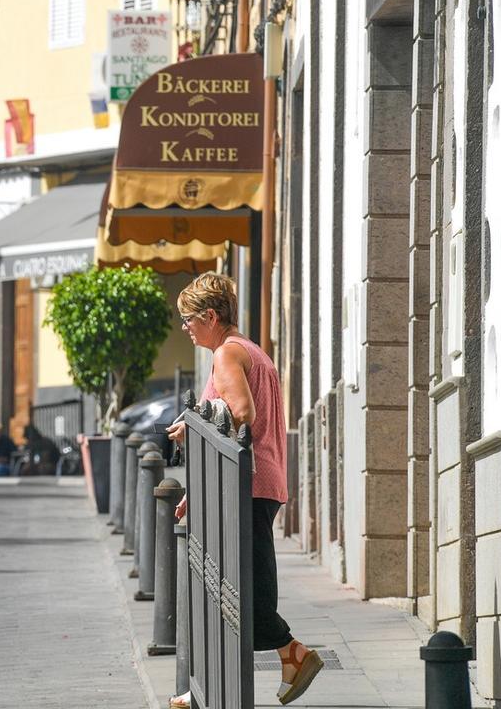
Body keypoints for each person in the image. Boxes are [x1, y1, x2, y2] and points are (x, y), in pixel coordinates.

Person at [165, 273, 322, 707]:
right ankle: (206, 687)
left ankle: (291, 653)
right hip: (257, 481)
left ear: (211, 316)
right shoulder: (252, 351)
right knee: (228, 584)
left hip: (245, 486)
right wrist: (196, 486)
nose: (185, 327)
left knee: (235, 589)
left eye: (189, 319)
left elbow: (239, 414)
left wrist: (192, 430)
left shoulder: (226, 354)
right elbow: (228, 426)